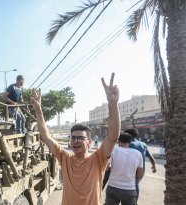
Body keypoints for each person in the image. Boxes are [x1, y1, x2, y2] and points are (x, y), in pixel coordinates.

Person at [30, 73, 120, 205]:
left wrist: (112, 103)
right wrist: (38, 111)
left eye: (80, 138)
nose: (76, 141)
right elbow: (46, 136)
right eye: (73, 138)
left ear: (89, 142)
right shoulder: (65, 158)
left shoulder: (98, 159)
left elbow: (113, 136)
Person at [104, 133, 144, 205]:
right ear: (130, 142)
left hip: (113, 187)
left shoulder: (113, 150)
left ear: (118, 141)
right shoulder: (138, 153)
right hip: (130, 189)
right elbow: (140, 174)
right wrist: (134, 184)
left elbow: (105, 167)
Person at [124, 128, 157, 204]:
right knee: (135, 185)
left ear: (128, 136)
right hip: (141, 171)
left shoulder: (129, 144)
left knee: (132, 187)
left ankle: (134, 202)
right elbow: (151, 157)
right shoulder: (143, 144)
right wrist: (154, 167)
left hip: (131, 171)